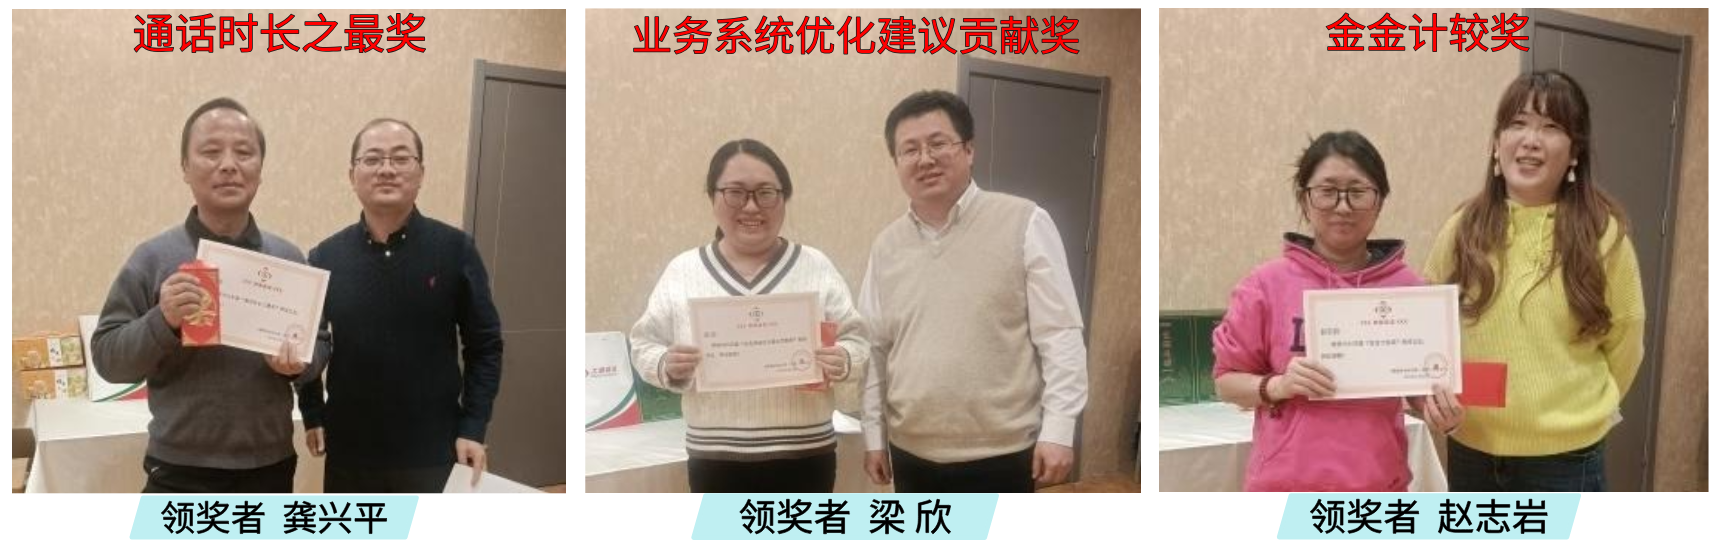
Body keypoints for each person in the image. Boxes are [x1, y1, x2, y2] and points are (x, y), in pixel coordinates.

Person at [1424, 70, 1644, 492]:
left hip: (1568, 458)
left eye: (1551, 127)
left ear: (1575, 151)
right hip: (1472, 447)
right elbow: (1429, 326)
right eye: (1518, 124)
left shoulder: (1603, 235)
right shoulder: (1462, 227)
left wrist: (1579, 410)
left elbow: (1626, 340)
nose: (1530, 140)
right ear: (1496, 143)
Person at [859, 90, 1089, 493]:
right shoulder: (886, 246)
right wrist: (874, 435)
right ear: (896, 163)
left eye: (938, 143)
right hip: (910, 451)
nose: (925, 159)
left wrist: (1059, 429)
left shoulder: (1025, 221)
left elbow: (1060, 334)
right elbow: (875, 348)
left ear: (968, 149)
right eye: (909, 149)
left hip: (1003, 452)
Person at [1211, 130, 1464, 492]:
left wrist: (1443, 414)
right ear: (1305, 199)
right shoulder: (1265, 284)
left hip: (1377, 487)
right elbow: (1226, 382)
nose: (1343, 207)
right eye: (1327, 191)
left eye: (1358, 192)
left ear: (1379, 201)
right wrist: (1279, 385)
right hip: (1284, 490)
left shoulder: (1409, 290)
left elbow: (1423, 390)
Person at [92, 97, 316, 493]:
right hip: (178, 471)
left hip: (270, 467)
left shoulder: (287, 260)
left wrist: (297, 366)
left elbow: (320, 346)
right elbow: (108, 360)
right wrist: (162, 321)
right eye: (211, 152)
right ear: (185, 167)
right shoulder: (152, 258)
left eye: (243, 152)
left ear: (260, 169)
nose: (228, 164)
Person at [630, 138, 869, 493]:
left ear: (784, 198)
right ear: (713, 197)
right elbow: (642, 344)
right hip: (715, 457)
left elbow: (858, 338)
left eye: (766, 193)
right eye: (736, 193)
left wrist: (844, 358)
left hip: (805, 453)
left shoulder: (815, 266)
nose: (752, 206)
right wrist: (667, 364)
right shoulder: (684, 270)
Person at [296, 118, 505, 493]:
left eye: (400, 158)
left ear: (421, 173)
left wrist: (474, 425)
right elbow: (306, 341)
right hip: (351, 450)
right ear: (352, 175)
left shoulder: (455, 249)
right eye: (373, 159)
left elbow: (485, 344)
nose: (387, 169)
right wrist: (312, 412)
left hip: (435, 448)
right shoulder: (325, 256)